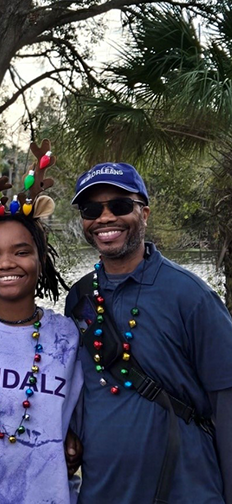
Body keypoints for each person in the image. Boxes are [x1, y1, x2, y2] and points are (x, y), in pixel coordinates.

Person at [64, 162, 232, 503]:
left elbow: (226, 403)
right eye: (92, 209)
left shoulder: (191, 295)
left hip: (186, 490)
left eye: (121, 206)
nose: (105, 218)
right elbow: (81, 387)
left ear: (145, 214)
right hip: (102, 491)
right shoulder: (79, 298)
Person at [0, 147, 83, 503]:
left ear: (41, 260)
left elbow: (89, 412)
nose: (5, 263)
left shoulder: (68, 336)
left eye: (21, 251)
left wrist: (75, 440)